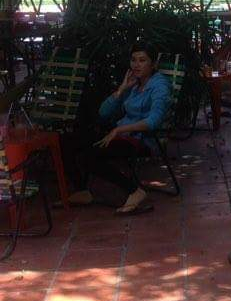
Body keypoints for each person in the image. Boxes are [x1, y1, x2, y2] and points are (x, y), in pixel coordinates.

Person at [67, 42, 172, 215]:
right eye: (133, 60)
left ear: (153, 64)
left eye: (142, 60)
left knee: (90, 156)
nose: (136, 65)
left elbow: (153, 121)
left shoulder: (160, 86)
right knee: (67, 141)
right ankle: (82, 190)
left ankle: (134, 191)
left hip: (142, 140)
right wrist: (122, 89)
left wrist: (119, 130)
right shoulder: (135, 85)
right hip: (121, 134)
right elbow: (103, 112)